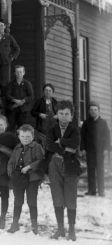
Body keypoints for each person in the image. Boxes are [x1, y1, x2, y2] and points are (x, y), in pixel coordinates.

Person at [45, 100, 80, 241]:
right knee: (57, 196)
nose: (64, 117)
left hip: (71, 165)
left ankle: (71, 229)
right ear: (56, 115)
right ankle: (60, 228)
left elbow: (75, 144)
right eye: (61, 113)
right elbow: (49, 145)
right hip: (54, 165)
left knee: (70, 197)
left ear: (71, 116)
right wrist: (65, 148)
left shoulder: (75, 130)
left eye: (67, 114)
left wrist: (60, 142)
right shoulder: (52, 129)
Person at [7, 124, 45, 234]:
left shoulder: (37, 147)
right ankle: (15, 224)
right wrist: (11, 173)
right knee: (18, 201)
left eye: (28, 137)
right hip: (18, 179)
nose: (25, 139)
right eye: (22, 136)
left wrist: (29, 167)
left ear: (33, 136)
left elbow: (41, 160)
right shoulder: (17, 147)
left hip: (32, 179)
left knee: (31, 201)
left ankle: (34, 225)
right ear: (19, 136)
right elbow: (11, 161)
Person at [80, 102, 110, 197]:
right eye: (91, 110)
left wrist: (106, 149)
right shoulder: (86, 123)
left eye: (95, 110)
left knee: (100, 170)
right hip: (90, 151)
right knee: (91, 170)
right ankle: (91, 190)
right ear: (89, 111)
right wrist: (83, 148)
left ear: (99, 111)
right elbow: (82, 137)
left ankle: (101, 191)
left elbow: (107, 137)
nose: (93, 111)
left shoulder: (103, 123)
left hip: (100, 151)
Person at [0, 21, 20, 88]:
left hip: (5, 61)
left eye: (1, 25)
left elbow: (17, 48)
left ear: (4, 27)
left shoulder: (9, 37)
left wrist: (12, 57)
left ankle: (5, 97)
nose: (0, 27)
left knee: (5, 80)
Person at [5, 65, 34, 130]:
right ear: (15, 73)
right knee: (10, 128)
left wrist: (23, 101)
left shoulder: (27, 83)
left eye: (20, 72)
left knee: (22, 128)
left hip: (23, 110)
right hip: (13, 108)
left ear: (24, 73)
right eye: (17, 72)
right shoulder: (11, 84)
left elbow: (31, 96)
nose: (19, 73)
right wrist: (15, 100)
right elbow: (7, 95)